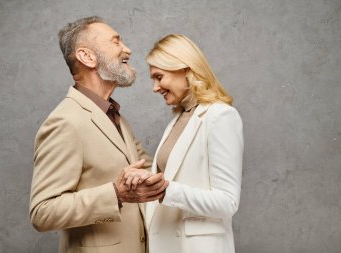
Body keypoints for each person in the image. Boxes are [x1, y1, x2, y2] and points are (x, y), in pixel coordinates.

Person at [29, 16, 168, 253]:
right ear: (87, 57)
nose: (127, 49)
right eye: (116, 42)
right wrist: (115, 193)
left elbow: (148, 170)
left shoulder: (115, 116)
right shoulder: (65, 122)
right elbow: (43, 212)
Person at [145, 34, 244, 253]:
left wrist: (166, 191)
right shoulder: (178, 119)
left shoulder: (220, 116)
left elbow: (227, 202)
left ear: (184, 69)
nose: (155, 87)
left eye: (159, 77)